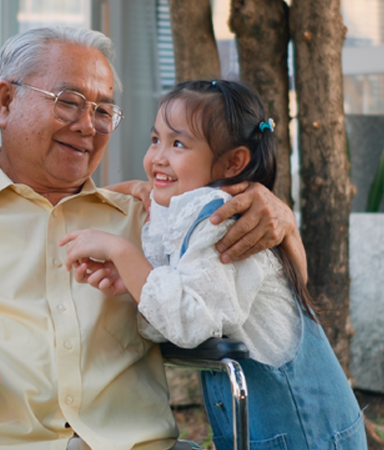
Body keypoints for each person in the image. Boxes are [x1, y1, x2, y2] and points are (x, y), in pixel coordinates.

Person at [0, 28, 307, 450]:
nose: (88, 126)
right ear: (4, 101)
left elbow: (271, 293)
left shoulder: (150, 222)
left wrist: (279, 217)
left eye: (104, 111)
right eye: (69, 102)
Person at [60, 80, 366, 449]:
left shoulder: (222, 223)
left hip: (308, 434)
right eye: (155, 139)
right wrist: (132, 278)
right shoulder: (189, 215)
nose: (157, 157)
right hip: (271, 432)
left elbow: (190, 323)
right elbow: (174, 316)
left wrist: (123, 254)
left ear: (233, 162)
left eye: (178, 144)